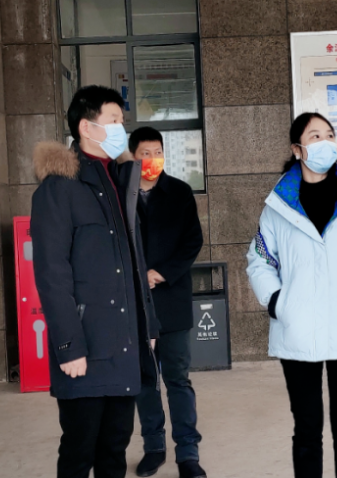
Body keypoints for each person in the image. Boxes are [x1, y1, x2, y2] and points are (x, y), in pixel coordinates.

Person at [246, 112, 337, 478]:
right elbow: (260, 260)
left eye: (329, 135)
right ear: (297, 149)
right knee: (307, 429)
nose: (325, 142)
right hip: (298, 329)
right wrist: (277, 303)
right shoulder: (278, 207)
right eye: (315, 136)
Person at [31, 85, 160, 478]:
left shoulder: (119, 180)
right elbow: (52, 274)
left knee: (114, 450)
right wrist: (68, 346)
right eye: (114, 120)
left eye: (122, 120)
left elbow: (134, 262)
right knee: (79, 451)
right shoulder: (58, 188)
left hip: (124, 342)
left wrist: (148, 326)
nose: (122, 128)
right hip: (85, 348)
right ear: (86, 127)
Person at [117, 126, 206, 478]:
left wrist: (161, 273)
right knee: (145, 382)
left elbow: (192, 241)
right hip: (135, 305)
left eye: (158, 152)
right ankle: (153, 448)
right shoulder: (121, 194)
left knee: (178, 380)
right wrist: (138, 276)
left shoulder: (179, 192)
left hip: (172, 301)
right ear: (132, 156)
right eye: (145, 153)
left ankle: (188, 453)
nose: (153, 159)